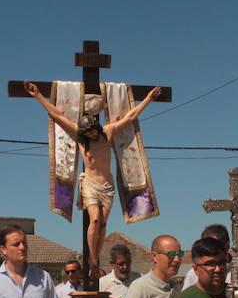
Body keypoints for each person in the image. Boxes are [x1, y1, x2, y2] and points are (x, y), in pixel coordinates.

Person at [25, 81, 160, 274]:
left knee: (103, 224)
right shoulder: (80, 137)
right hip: (90, 184)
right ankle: (92, 259)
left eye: (92, 131)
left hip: (107, 185)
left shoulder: (108, 132)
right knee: (94, 220)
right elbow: (57, 115)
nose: (91, 134)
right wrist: (38, 95)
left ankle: (95, 262)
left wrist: (148, 99)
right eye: (87, 133)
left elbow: (131, 116)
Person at [181, 224, 238, 298]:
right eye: (206, 245)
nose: (210, 250)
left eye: (216, 245)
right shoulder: (194, 273)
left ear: (227, 245)